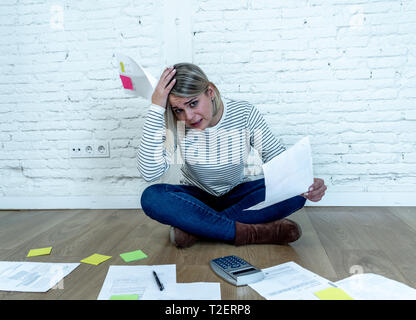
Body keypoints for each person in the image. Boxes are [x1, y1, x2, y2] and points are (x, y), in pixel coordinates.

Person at [138, 63, 327, 248]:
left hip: (238, 194)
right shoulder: (177, 123)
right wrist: (157, 106)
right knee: (152, 197)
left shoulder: (243, 113)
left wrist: (304, 183)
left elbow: (277, 159)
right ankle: (251, 232)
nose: (188, 116)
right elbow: (150, 172)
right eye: (179, 109)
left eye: (193, 103)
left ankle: (196, 229)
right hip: (196, 198)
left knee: (297, 194)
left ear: (210, 92)